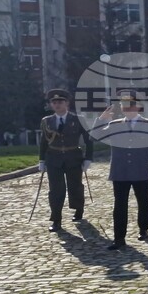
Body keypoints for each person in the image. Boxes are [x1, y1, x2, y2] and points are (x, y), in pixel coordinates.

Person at [96, 91, 148, 250]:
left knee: (144, 201)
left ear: (138, 107)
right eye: (124, 106)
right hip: (120, 171)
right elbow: (96, 136)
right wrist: (101, 120)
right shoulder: (115, 125)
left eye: (131, 105)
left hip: (142, 170)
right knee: (120, 205)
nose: (127, 108)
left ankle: (143, 229)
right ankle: (119, 238)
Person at [38, 88, 93, 229]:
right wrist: (42, 160)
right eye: (54, 102)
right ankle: (56, 219)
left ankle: (78, 209)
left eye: (60, 102)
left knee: (75, 186)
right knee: (56, 190)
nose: (57, 105)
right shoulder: (47, 121)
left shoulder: (78, 119)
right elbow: (44, 142)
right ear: (51, 104)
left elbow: (89, 140)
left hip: (73, 157)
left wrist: (88, 158)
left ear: (67, 103)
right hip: (53, 158)